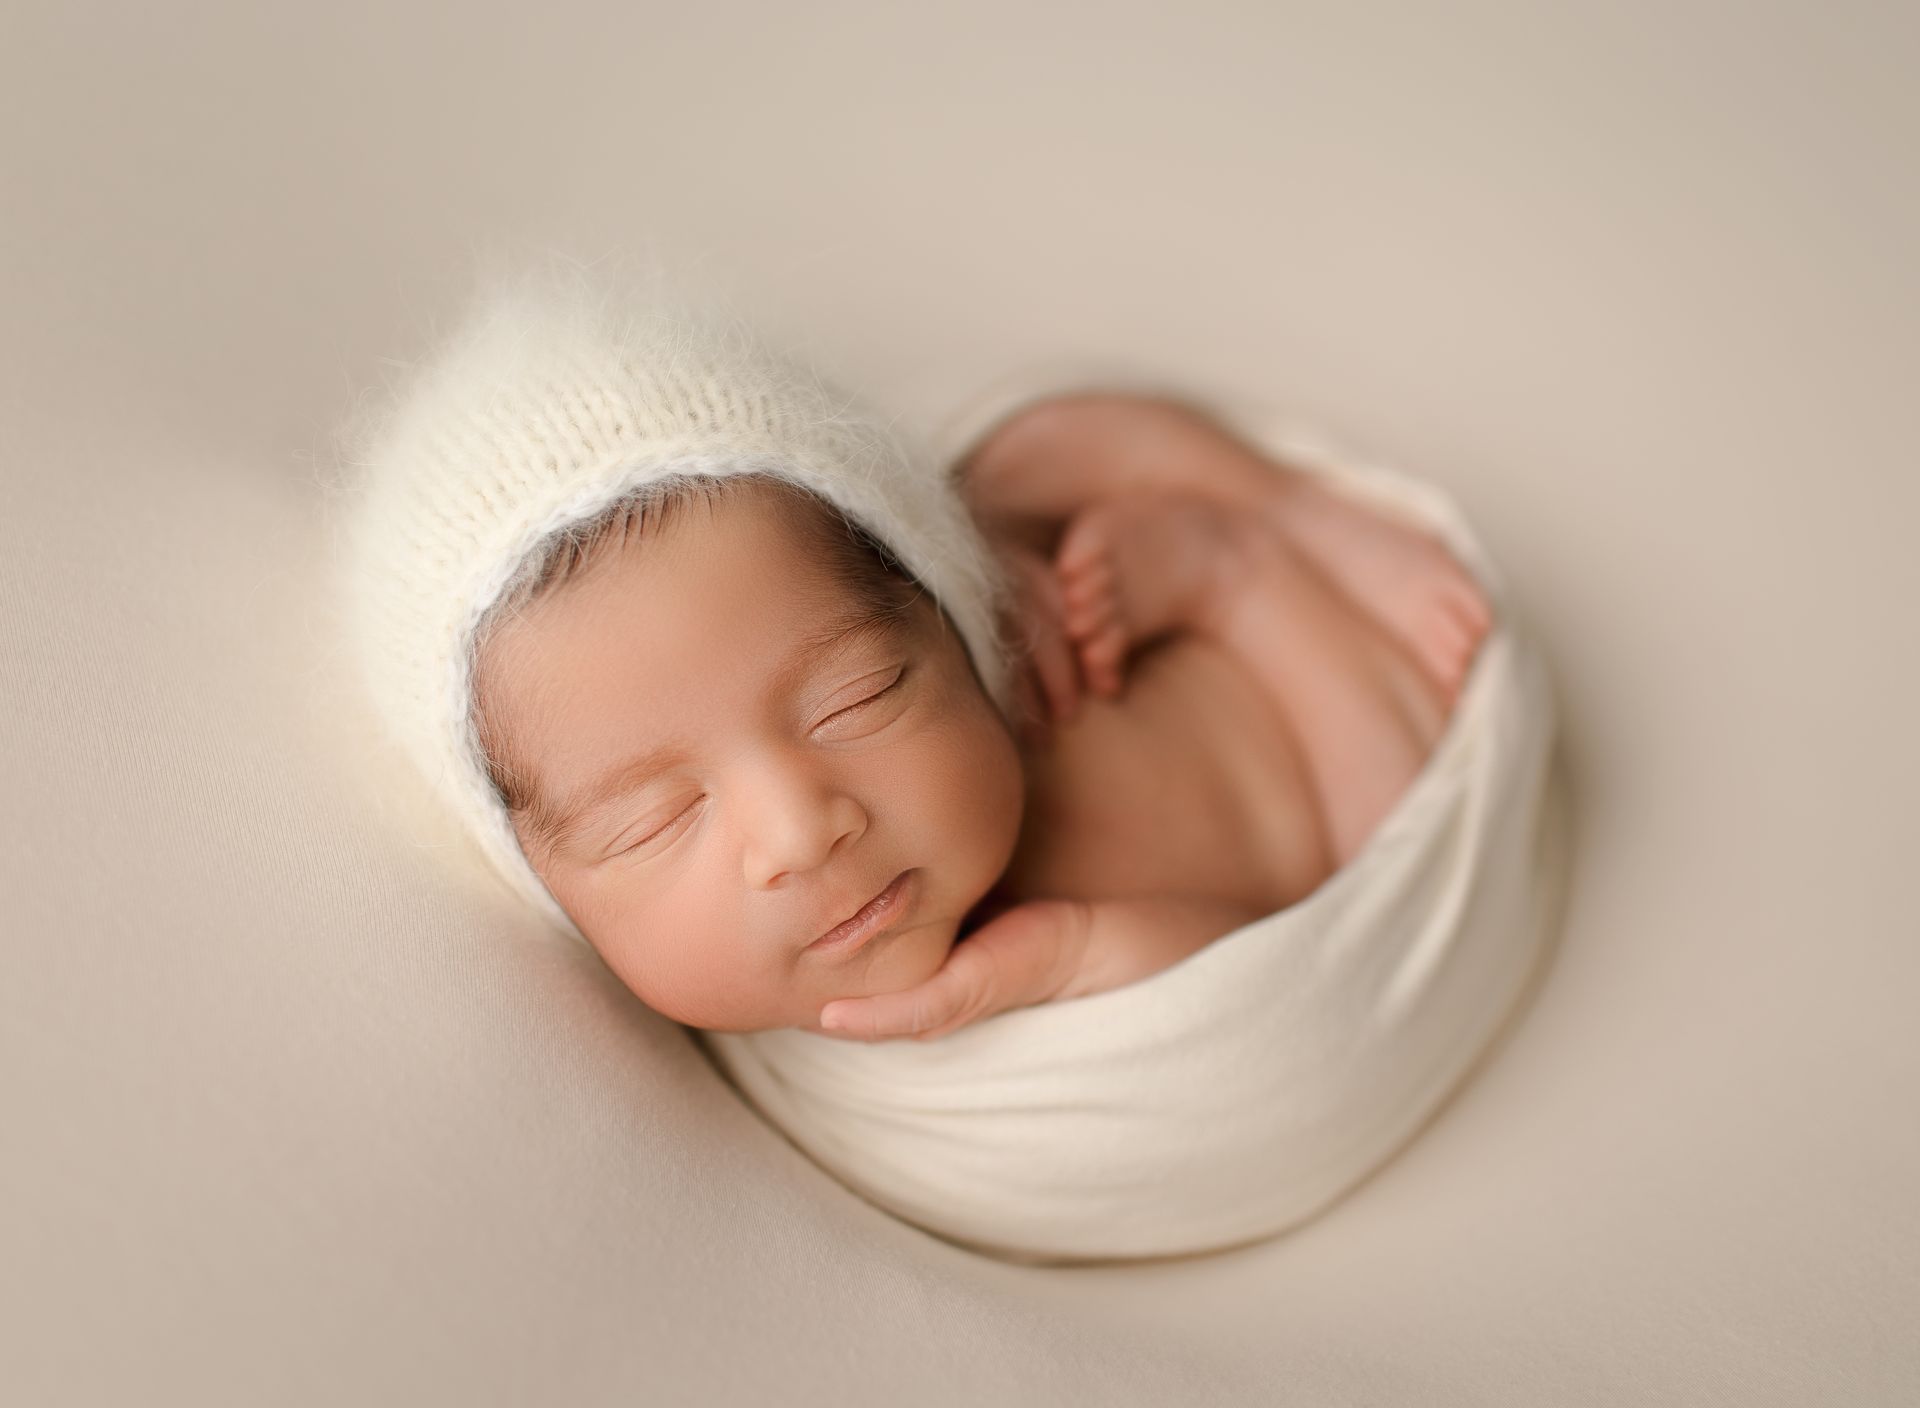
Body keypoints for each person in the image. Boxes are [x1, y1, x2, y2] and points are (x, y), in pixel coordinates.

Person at [464, 389, 1491, 1042]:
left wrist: (985, 548)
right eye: (651, 819)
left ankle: (1264, 537)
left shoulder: (966, 591)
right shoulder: (942, 1024)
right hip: (1312, 803)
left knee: (1028, 452)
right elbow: (1274, 996)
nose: (800, 830)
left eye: (857, 694)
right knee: (1382, 825)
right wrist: (1071, 951)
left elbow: (1051, 445)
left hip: (1183, 655)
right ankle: (1245, 585)